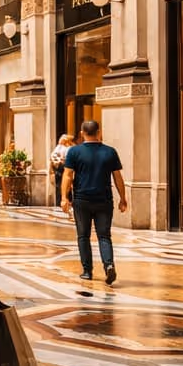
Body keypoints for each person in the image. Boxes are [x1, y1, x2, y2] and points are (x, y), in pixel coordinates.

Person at [61, 120, 127, 284]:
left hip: (82, 200)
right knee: (104, 236)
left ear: (82, 133)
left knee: (83, 236)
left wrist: (64, 197)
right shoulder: (110, 152)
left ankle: (87, 271)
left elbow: (68, 175)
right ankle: (109, 265)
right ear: (99, 132)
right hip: (104, 200)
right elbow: (117, 177)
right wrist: (123, 198)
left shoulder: (74, 152)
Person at [50, 133, 75, 207]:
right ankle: (60, 202)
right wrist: (59, 161)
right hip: (61, 168)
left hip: (67, 167)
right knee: (60, 185)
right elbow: (53, 157)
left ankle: (69, 201)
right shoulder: (60, 147)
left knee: (68, 185)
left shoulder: (71, 147)